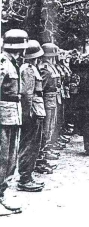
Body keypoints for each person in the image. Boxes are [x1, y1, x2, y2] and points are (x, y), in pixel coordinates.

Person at [0, 29, 28, 216]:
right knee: (1, 158)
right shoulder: (3, 63)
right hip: (2, 116)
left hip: (12, 116)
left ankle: (1, 195)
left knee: (10, 160)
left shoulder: (13, 62)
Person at [18, 40, 46, 192]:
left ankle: (28, 176)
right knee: (29, 144)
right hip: (33, 112)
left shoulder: (30, 68)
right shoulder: (28, 69)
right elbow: (27, 95)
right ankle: (25, 178)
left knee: (33, 144)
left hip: (36, 109)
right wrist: (28, 114)